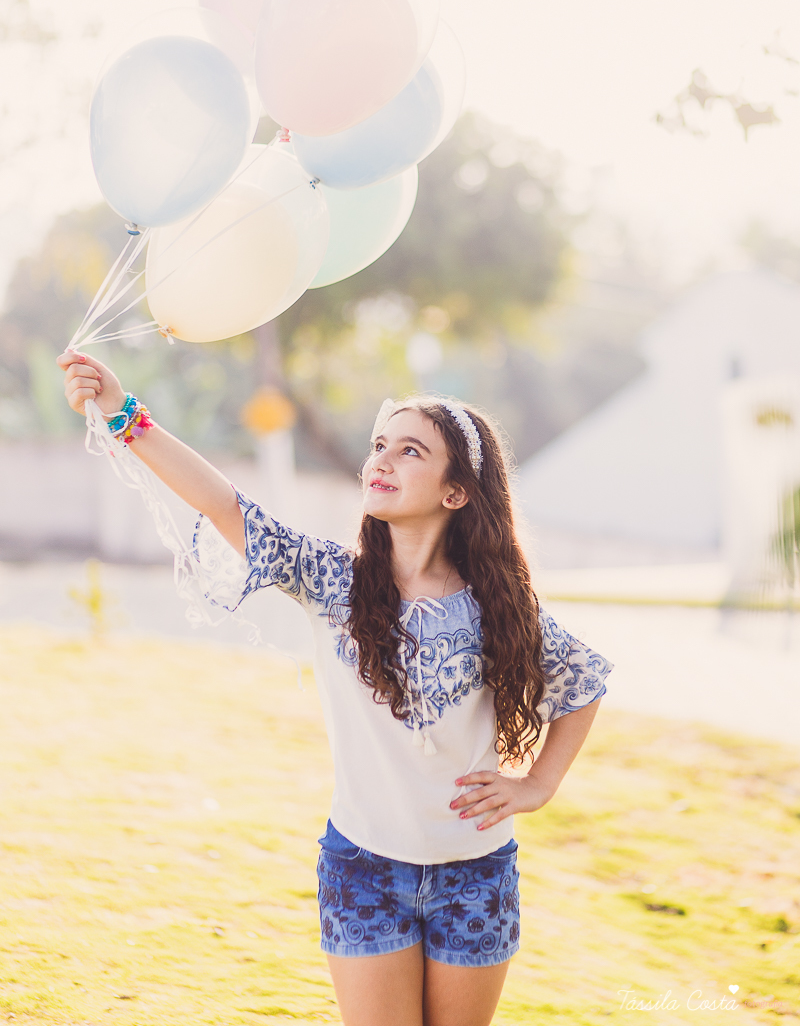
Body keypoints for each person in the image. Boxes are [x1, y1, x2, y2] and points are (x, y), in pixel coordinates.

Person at [58, 348, 614, 1026]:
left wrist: (538, 785)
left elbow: (583, 682)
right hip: (363, 868)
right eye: (379, 445)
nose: (380, 460)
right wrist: (123, 411)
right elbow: (223, 502)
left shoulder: (499, 605)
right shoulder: (335, 581)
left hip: (475, 875)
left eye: (410, 451)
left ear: (455, 491)